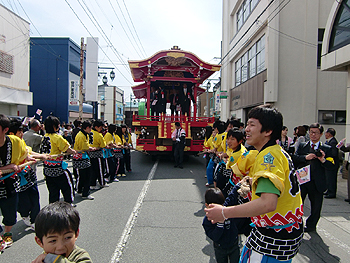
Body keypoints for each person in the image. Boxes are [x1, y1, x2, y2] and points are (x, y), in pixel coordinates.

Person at [205, 105, 304, 262]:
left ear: (268, 131)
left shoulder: (267, 157)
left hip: (271, 239)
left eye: (252, 124)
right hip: (284, 235)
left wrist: (224, 213)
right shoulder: (277, 152)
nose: (247, 130)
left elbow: (268, 203)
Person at [0, 114, 36, 249]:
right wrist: (8, 167)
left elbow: (25, 153)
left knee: (10, 210)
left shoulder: (15, 141)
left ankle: (7, 233)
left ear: (5, 130)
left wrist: (30, 159)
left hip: (9, 182)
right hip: (5, 176)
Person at [7, 118, 48, 231]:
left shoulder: (20, 140)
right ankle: (26, 216)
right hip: (17, 177)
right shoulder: (9, 143)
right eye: (19, 132)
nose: (21, 134)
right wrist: (40, 156)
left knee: (35, 196)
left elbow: (28, 152)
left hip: (28, 173)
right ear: (11, 133)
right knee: (24, 200)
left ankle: (35, 219)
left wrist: (41, 156)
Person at [293, 123, 334, 232]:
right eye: (311, 132)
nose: (313, 135)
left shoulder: (327, 148)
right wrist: (305, 157)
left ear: (321, 134)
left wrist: (323, 160)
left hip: (318, 182)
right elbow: (294, 158)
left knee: (316, 206)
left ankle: (311, 225)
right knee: (298, 204)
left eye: (316, 133)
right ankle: (297, 223)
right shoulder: (303, 146)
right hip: (303, 180)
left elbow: (332, 166)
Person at [40, 116, 76, 205]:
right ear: (54, 126)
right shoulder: (57, 137)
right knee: (67, 186)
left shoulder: (44, 137)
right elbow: (67, 149)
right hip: (57, 168)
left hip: (47, 168)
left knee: (53, 190)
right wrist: (73, 151)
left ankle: (53, 206)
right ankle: (69, 203)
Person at [202, 187, 240, 263]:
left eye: (221, 205)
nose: (219, 209)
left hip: (234, 244)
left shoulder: (224, 209)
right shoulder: (207, 220)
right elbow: (214, 237)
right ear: (207, 205)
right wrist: (220, 223)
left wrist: (239, 185)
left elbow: (232, 196)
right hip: (220, 248)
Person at [73, 120, 96, 200]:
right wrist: (91, 148)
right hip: (82, 157)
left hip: (80, 157)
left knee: (82, 175)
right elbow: (84, 147)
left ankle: (79, 190)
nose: (91, 129)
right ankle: (85, 193)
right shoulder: (81, 135)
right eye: (90, 128)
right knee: (87, 175)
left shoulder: (83, 134)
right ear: (86, 128)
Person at [90, 120, 108, 189]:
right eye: (100, 127)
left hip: (90, 154)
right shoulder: (98, 135)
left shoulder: (89, 133)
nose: (101, 129)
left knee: (92, 170)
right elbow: (103, 145)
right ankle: (102, 183)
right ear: (96, 127)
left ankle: (92, 184)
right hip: (97, 154)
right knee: (100, 169)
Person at [324, 128, 339, 198]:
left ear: (329, 134)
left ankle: (332, 192)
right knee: (328, 178)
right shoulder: (329, 141)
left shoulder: (333, 142)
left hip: (332, 163)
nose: (325, 134)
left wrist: (326, 154)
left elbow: (334, 153)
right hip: (328, 163)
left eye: (326, 133)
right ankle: (328, 190)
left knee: (331, 178)